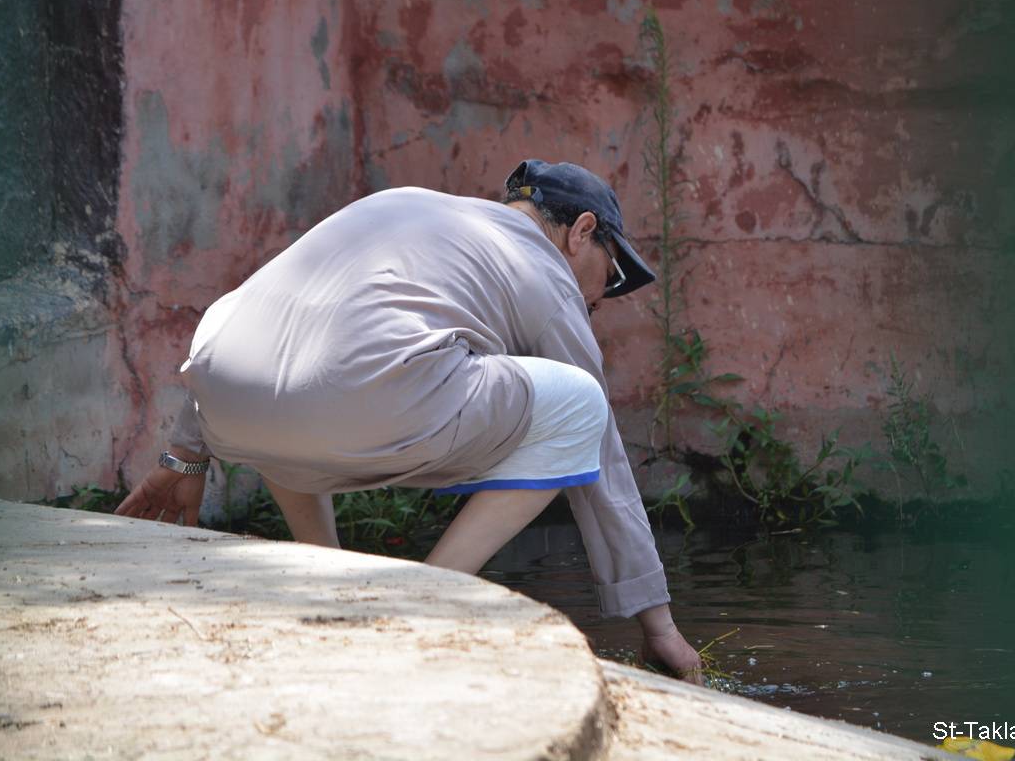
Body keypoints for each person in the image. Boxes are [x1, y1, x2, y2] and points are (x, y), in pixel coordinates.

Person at [115, 159, 703, 683]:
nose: (597, 303)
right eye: (609, 277)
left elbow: (269, 314)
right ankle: (423, 597)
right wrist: (659, 627)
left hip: (229, 403)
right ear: (581, 232)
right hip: (360, 405)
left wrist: (185, 453)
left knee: (308, 367)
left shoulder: (406, 206)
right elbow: (602, 452)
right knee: (581, 405)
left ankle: (333, 579)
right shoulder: (545, 267)